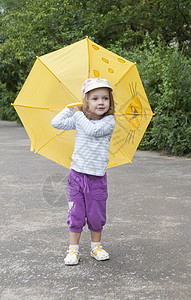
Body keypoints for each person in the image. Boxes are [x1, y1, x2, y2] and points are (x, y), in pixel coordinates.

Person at [51, 78, 115, 265]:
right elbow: (57, 123)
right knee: (76, 213)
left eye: (105, 98)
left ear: (110, 101)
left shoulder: (108, 121)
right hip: (77, 176)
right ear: (86, 101)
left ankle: (96, 246)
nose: (101, 102)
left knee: (96, 214)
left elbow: (92, 130)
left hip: (97, 178)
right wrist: (70, 108)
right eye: (94, 98)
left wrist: (78, 115)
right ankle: (73, 250)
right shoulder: (80, 118)